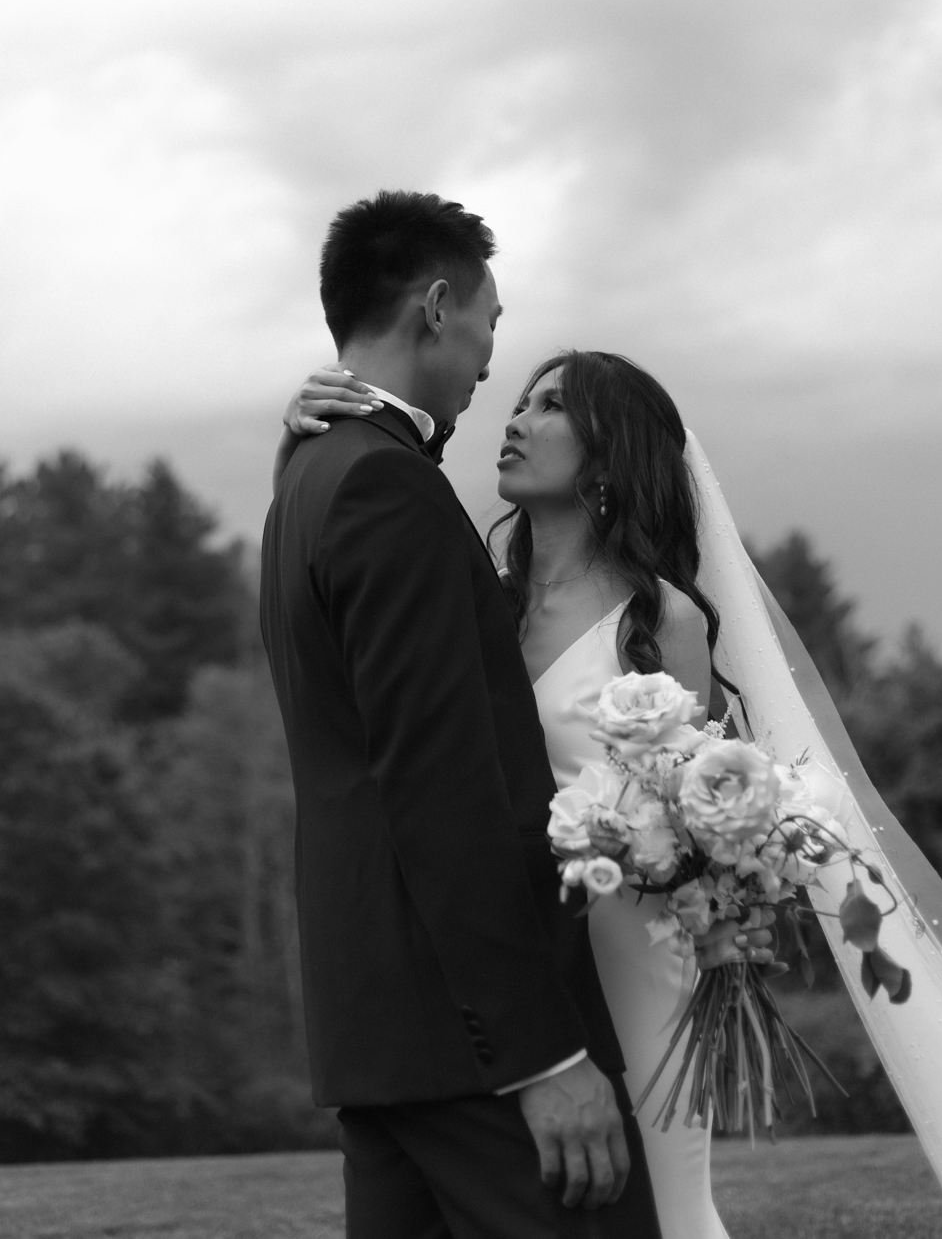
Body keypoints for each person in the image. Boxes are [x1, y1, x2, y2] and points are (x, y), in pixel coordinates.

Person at [277, 334, 775, 1239]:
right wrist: (315, 418)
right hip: (500, 961)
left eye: (551, 407)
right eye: (518, 401)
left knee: (660, 1208)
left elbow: (699, 810)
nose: (516, 418)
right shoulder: (479, 602)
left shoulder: (662, 617)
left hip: (625, 958)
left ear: (609, 456)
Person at [260, 189, 665, 1239]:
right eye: (490, 316)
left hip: (379, 1034)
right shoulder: (383, 490)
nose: (495, 350)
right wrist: (542, 1054)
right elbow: (439, 789)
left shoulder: (311, 474)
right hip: (470, 1038)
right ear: (437, 305)